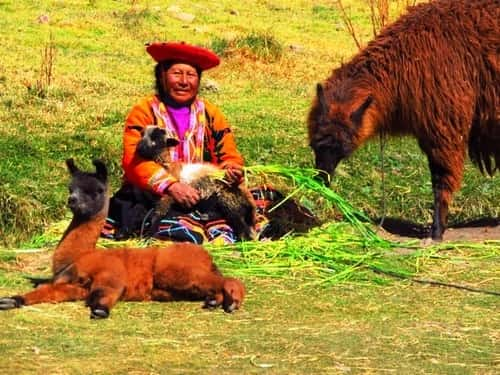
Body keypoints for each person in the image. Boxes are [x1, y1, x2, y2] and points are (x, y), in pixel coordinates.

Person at [103, 41, 248, 244]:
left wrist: (231, 169)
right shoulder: (144, 111)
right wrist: (170, 186)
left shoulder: (210, 113)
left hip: (201, 190)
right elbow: (132, 160)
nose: (184, 81)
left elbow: (228, 153)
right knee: (155, 222)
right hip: (153, 194)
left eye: (191, 75)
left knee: (244, 210)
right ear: (161, 75)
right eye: (176, 73)